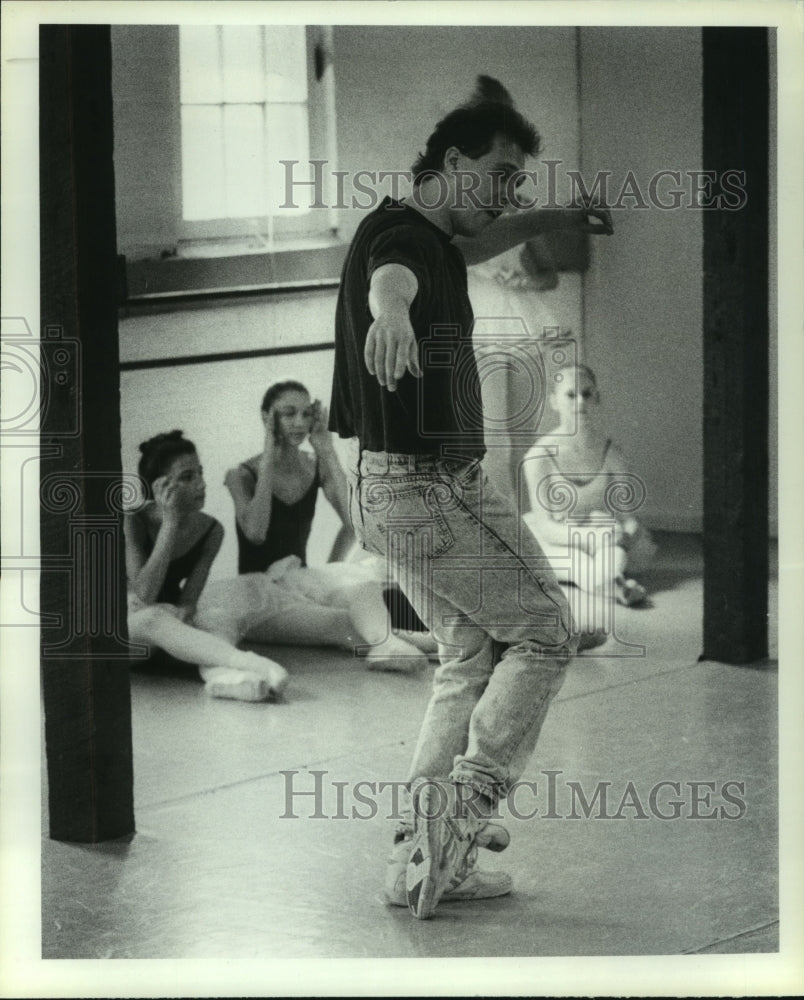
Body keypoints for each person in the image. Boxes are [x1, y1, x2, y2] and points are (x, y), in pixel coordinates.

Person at [328, 75, 613, 919]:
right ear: (452, 163)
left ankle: (419, 859)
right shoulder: (404, 242)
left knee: (466, 657)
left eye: (516, 180)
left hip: (389, 491)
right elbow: (392, 281)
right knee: (547, 631)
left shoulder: (433, 232)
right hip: (431, 488)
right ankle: (459, 812)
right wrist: (389, 316)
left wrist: (556, 214)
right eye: (497, 175)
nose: (506, 194)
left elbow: (489, 236)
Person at [205, 382, 435, 671]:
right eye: (288, 414)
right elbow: (256, 533)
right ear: (267, 417)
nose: (299, 422)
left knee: (363, 586)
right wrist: (269, 456)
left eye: (306, 413)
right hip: (259, 595)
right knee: (342, 622)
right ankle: (408, 643)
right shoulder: (240, 474)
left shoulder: (314, 464)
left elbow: (355, 523)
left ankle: (395, 644)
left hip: (300, 581)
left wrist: (327, 450)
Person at [124, 431, 289, 703]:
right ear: (159, 487)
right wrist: (170, 523)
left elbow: (189, 601)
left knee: (217, 620)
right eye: (187, 477)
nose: (201, 484)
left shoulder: (212, 530)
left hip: (166, 628)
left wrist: (182, 613)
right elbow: (143, 597)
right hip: (125, 635)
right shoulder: (132, 521)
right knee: (151, 618)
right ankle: (253, 664)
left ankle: (234, 681)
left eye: (200, 473)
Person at [522, 363, 657, 609]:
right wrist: (591, 538)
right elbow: (544, 526)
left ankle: (612, 581)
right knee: (575, 561)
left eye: (587, 393)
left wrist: (625, 536)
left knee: (614, 554)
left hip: (602, 534)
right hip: (556, 537)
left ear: (597, 398)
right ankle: (617, 587)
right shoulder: (538, 457)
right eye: (570, 395)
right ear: (554, 401)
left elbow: (627, 517)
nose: (580, 402)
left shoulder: (612, 453)